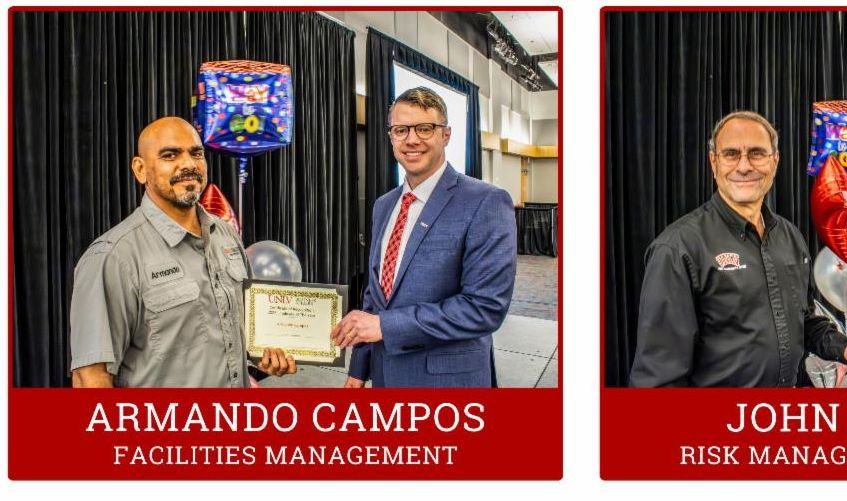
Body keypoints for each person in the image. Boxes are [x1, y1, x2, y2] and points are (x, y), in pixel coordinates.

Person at [629, 111, 847, 387]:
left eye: (756, 153)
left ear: (774, 162)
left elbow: (805, 321)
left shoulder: (790, 237)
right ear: (713, 162)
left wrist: (844, 348)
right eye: (731, 154)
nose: (744, 166)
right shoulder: (678, 249)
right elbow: (658, 380)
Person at [69, 117, 296, 388]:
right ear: (140, 170)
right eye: (170, 155)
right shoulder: (113, 257)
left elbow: (239, 332)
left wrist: (265, 353)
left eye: (196, 153)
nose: (188, 164)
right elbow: (90, 378)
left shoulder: (225, 235)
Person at [332, 87, 517, 388]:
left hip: (447, 383)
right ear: (391, 137)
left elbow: (484, 308)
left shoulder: (486, 201)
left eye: (425, 128)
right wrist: (359, 367)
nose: (412, 139)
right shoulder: (384, 205)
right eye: (401, 130)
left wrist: (385, 326)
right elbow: (375, 294)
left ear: (446, 135)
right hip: (384, 375)